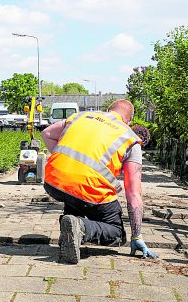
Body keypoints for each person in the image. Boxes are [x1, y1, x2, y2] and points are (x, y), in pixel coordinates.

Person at [41, 99, 158, 264]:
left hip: (53, 181)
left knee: (75, 194)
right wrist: (136, 235)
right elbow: (133, 193)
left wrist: (68, 163)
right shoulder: (129, 138)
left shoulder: (80, 117)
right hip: (88, 189)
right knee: (116, 232)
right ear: (129, 120)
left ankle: (69, 229)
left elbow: (46, 133)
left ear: (108, 110)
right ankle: (79, 227)